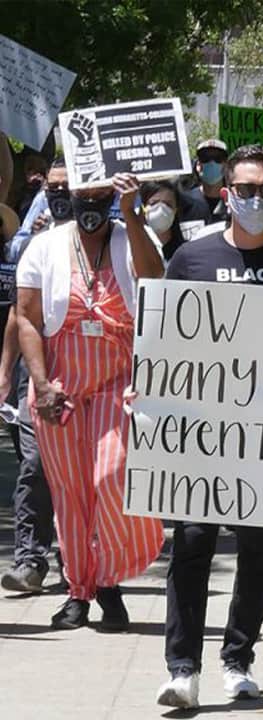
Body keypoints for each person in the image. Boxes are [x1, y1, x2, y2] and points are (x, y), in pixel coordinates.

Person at [155, 143, 263, 709]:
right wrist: (150, 387)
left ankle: (238, 660)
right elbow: (166, 343)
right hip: (204, 433)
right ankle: (183, 668)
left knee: (259, 550)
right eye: (245, 188)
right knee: (191, 542)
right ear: (225, 191)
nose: (255, 198)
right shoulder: (192, 258)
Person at [13, 172, 166, 630]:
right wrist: (39, 385)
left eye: (101, 198)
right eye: (81, 198)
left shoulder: (129, 237)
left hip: (117, 383)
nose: (90, 207)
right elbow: (26, 318)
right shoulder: (45, 247)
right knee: (70, 494)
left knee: (112, 476)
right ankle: (81, 590)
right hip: (60, 386)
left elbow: (155, 278)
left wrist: (132, 211)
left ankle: (110, 578)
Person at [0, 160, 70, 595]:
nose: (59, 195)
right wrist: (6, 370)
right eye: (52, 187)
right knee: (35, 465)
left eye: (67, 187)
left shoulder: (111, 241)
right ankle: (30, 559)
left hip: (90, 379)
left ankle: (79, 561)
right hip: (35, 377)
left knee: (81, 473)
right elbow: (18, 315)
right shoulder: (33, 247)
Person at [181, 138, 230, 226]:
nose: (212, 163)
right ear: (198, 166)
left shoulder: (234, 203)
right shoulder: (185, 201)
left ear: (225, 166)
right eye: (206, 158)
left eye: (218, 158)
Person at [139, 180, 187, 260]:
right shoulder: (134, 250)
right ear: (143, 207)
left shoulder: (186, 252)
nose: (161, 209)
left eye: (168, 204)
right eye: (154, 203)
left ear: (176, 209)